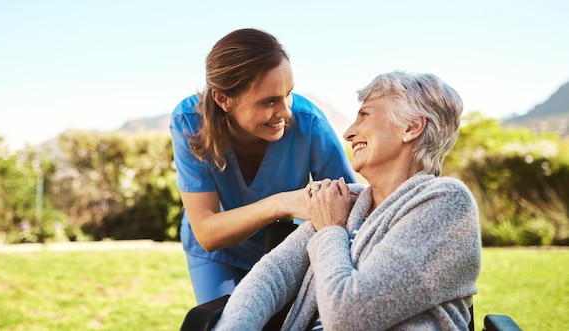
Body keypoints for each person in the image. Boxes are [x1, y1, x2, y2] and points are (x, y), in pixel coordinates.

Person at [213, 71, 482, 330]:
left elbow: (350, 319)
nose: (348, 133)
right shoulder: (352, 201)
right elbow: (273, 275)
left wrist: (331, 228)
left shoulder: (446, 204)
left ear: (411, 127)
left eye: (364, 115)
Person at [169, 28, 357, 305]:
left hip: (284, 249)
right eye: (269, 101)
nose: (285, 112)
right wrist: (280, 204)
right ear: (223, 99)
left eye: (288, 94)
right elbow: (207, 231)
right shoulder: (188, 123)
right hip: (216, 255)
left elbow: (348, 203)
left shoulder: (310, 122)